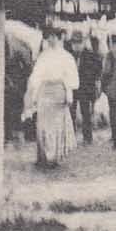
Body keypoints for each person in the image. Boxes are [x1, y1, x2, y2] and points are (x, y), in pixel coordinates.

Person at [24, 28, 78, 169]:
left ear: (60, 38)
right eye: (49, 37)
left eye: (55, 37)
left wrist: (69, 93)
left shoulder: (66, 56)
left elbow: (70, 78)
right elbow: (36, 76)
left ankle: (53, 157)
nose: (52, 40)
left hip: (58, 92)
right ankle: (43, 156)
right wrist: (33, 94)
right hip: (44, 92)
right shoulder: (43, 56)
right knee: (42, 125)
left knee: (56, 126)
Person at [72, 33, 103, 144]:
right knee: (71, 112)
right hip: (72, 88)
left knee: (86, 113)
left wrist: (94, 81)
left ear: (83, 43)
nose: (76, 46)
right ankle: (71, 137)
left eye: (78, 43)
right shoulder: (69, 56)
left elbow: (98, 68)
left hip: (85, 88)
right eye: (74, 43)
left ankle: (87, 137)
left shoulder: (90, 55)